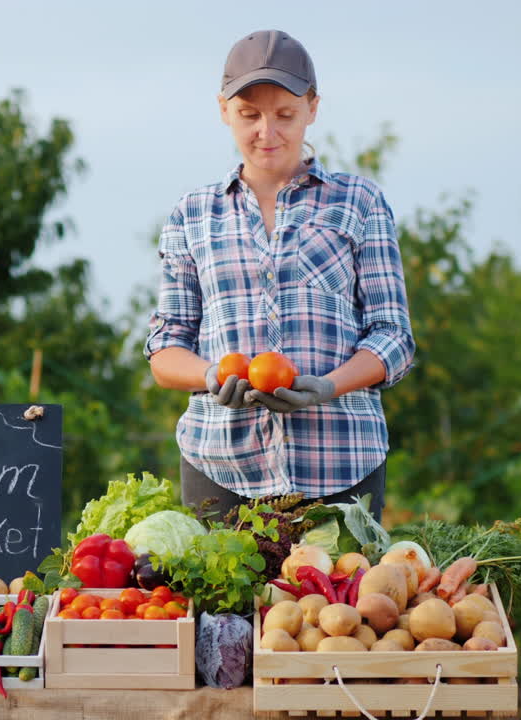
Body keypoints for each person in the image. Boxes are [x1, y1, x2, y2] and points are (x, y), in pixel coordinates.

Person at [144, 30, 415, 522]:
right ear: (224, 110)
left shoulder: (359, 202)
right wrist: (209, 375)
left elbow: (394, 338)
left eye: (285, 114)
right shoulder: (192, 214)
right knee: (222, 601)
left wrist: (328, 386)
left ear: (312, 107)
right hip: (221, 465)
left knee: (339, 600)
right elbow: (165, 348)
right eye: (249, 115)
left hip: (340, 461)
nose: (267, 132)